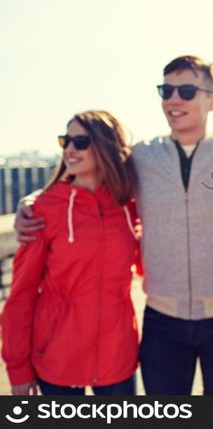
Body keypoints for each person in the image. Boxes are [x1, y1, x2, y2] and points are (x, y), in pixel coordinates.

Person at [14, 56, 213, 395]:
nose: (173, 99)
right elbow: (93, 173)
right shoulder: (142, 158)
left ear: (212, 100)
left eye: (186, 91)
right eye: (166, 90)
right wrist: (30, 201)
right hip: (162, 320)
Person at [2, 110, 140, 395]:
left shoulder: (129, 205)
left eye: (80, 141)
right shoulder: (44, 210)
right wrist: (18, 369)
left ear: (105, 145)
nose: (69, 149)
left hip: (118, 359)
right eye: (65, 140)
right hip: (57, 360)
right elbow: (21, 295)